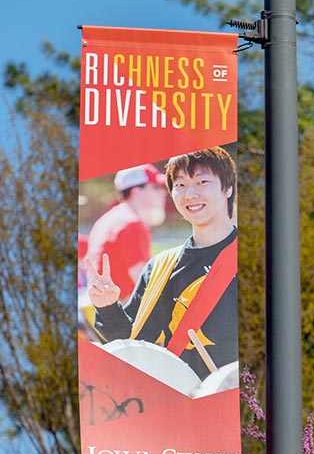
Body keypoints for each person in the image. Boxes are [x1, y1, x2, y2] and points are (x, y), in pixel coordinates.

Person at [86, 146, 238, 380]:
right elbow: (133, 344)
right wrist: (107, 306)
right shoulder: (159, 268)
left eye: (202, 181)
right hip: (180, 401)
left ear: (227, 188)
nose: (190, 194)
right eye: (180, 185)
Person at [84, 163, 167, 300]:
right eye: (156, 187)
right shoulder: (131, 223)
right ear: (136, 191)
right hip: (122, 305)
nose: (163, 192)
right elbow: (144, 280)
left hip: (103, 306)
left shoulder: (108, 218)